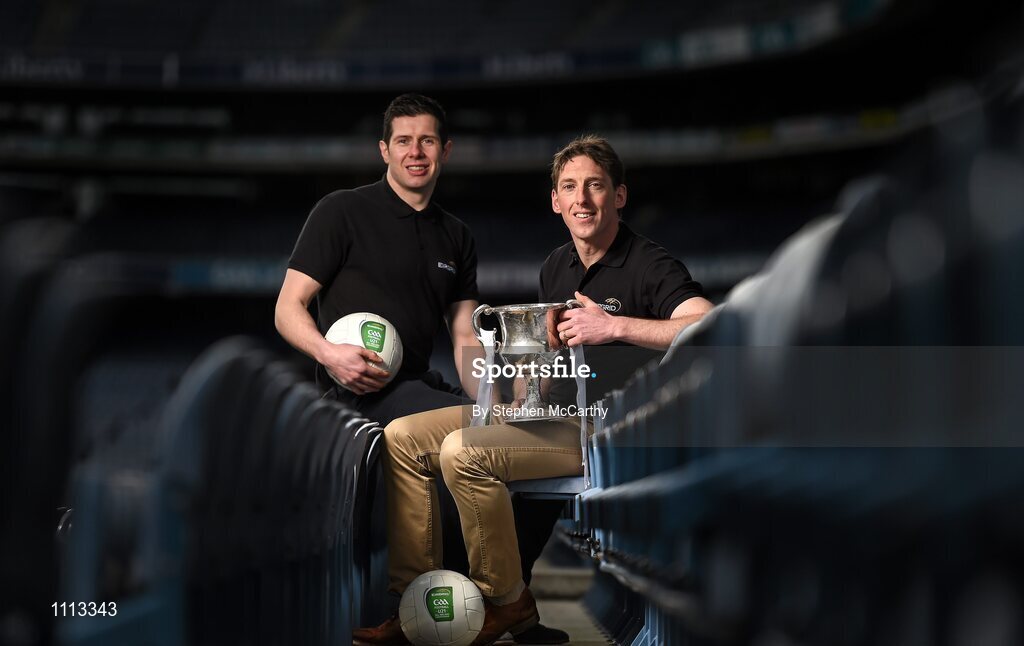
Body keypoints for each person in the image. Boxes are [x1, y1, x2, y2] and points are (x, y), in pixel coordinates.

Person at [360, 135, 713, 645]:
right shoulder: (557, 265)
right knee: (402, 437)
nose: (581, 199)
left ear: (619, 196)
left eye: (595, 185)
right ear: (555, 201)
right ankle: (417, 602)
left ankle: (507, 602)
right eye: (569, 187)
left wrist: (614, 328)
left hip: (602, 425)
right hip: (545, 416)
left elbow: (703, 323)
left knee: (463, 453)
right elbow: (548, 361)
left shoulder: (648, 263)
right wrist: (521, 387)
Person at [274, 93, 567, 645]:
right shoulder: (340, 211)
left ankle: (501, 599)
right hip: (356, 396)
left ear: (445, 150)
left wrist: (491, 402)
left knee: (520, 447)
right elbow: (287, 308)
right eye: (404, 141)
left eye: (427, 141)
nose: (416, 152)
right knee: (481, 448)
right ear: (384, 150)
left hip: (416, 386)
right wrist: (329, 353)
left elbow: (462, 334)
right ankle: (460, 607)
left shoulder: (456, 237)